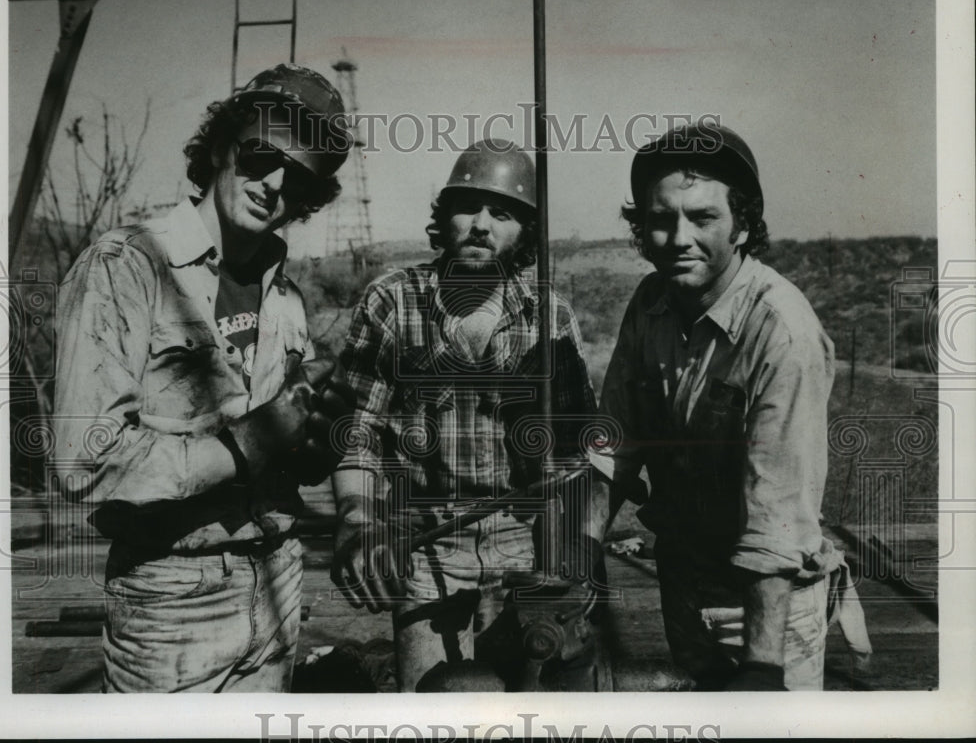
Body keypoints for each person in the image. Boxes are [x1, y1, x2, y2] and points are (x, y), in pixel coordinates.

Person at [52, 63, 355, 692]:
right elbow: (85, 459)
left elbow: (285, 458)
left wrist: (316, 444)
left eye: (297, 179)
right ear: (222, 146)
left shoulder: (288, 301)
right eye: (260, 155)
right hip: (169, 601)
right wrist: (251, 441)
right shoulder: (125, 268)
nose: (273, 184)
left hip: (278, 583)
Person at [596, 121, 870, 691]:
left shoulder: (782, 332)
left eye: (702, 217)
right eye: (661, 218)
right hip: (681, 579)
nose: (677, 238)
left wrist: (763, 665)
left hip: (768, 602)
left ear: (742, 225)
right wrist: (571, 556)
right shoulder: (650, 303)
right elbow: (613, 446)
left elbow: (777, 512)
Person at [329, 139, 607, 691]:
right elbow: (354, 434)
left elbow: (582, 458)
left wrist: (573, 545)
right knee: (432, 704)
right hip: (424, 539)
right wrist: (356, 522)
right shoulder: (394, 302)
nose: (481, 225)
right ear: (443, 217)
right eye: (467, 208)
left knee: (532, 705)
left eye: (501, 213)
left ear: (524, 232)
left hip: (529, 542)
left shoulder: (550, 316)